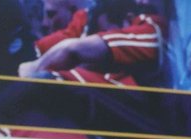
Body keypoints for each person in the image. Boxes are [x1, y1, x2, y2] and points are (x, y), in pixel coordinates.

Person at [19, 0, 166, 87]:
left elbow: (72, 48)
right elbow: (51, 44)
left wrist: (35, 68)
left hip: (132, 120)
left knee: (52, 82)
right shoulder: (90, 16)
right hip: (93, 109)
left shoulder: (150, 28)